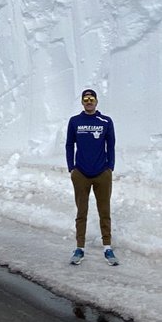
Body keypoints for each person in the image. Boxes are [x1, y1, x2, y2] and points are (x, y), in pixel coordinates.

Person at [65, 89, 118, 265]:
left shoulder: (105, 121)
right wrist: (71, 168)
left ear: (96, 102)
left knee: (105, 211)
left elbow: (111, 145)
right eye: (86, 99)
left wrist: (110, 167)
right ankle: (79, 248)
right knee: (81, 212)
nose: (89, 102)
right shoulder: (75, 121)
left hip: (102, 172)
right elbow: (69, 145)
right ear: (82, 102)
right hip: (80, 173)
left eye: (92, 99)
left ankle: (107, 248)